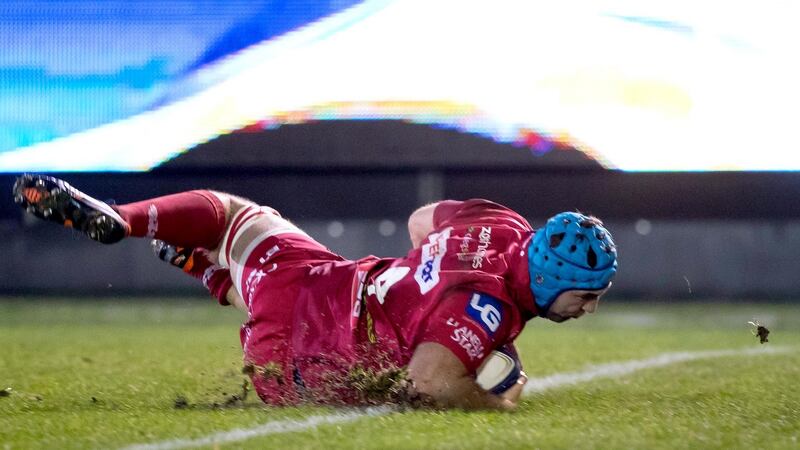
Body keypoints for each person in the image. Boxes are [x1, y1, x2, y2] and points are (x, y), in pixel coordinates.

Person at [12, 173, 618, 410]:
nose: (589, 310)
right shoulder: (479, 310)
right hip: (301, 371)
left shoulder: (502, 224)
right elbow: (428, 385)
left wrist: (418, 284)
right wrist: (501, 399)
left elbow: (419, 222)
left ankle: (129, 218)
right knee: (456, 370)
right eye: (585, 296)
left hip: (317, 284)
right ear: (548, 280)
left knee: (233, 216)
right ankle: (213, 273)